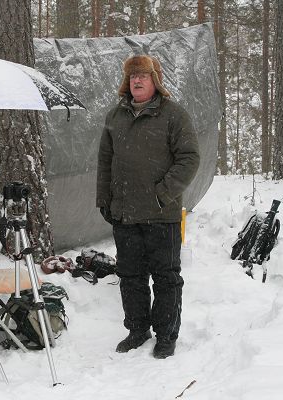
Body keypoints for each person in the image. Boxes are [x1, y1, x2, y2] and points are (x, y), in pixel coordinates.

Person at [96, 55, 200, 359]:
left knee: (166, 277)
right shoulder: (115, 116)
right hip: (125, 214)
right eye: (132, 77)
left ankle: (166, 335)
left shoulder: (173, 115)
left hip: (161, 215)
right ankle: (138, 329)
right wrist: (104, 199)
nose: (137, 81)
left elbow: (190, 158)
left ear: (156, 80)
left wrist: (162, 194)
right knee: (131, 276)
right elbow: (105, 161)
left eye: (143, 76)